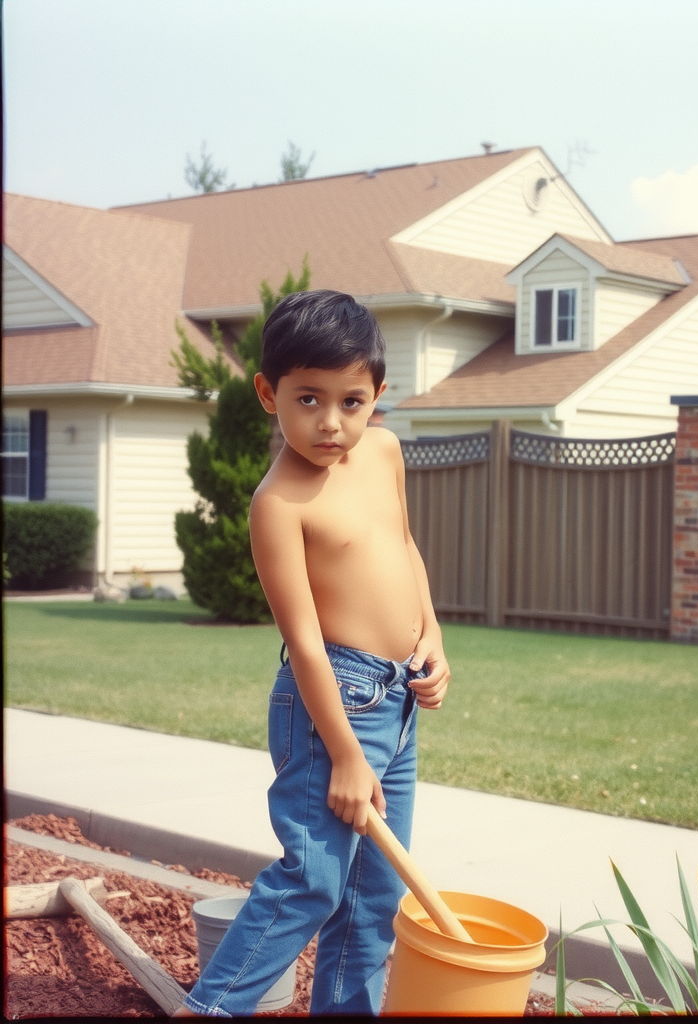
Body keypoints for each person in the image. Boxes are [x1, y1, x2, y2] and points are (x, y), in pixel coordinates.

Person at [174, 290, 450, 1017]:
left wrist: (433, 635)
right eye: (308, 399)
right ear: (269, 394)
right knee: (314, 880)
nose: (331, 423)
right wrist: (347, 756)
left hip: (395, 699)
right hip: (330, 702)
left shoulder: (384, 450)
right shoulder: (279, 504)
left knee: (376, 892)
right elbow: (302, 640)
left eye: (351, 401)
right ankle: (214, 1008)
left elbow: (404, 549)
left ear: (378, 395)